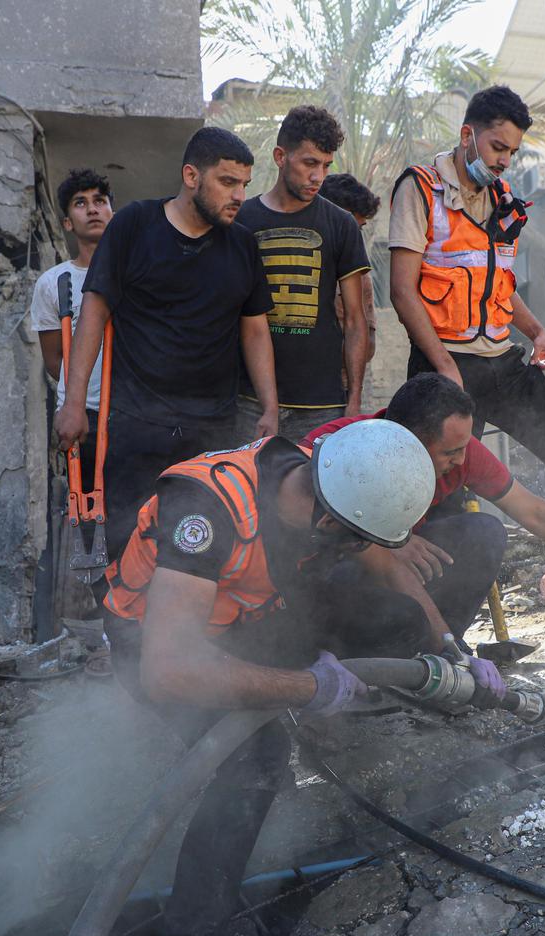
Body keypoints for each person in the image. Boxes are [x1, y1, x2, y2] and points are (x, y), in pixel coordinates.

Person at [105, 421, 449, 936]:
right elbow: (168, 669)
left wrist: (449, 650)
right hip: (158, 641)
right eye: (352, 539)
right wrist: (307, 685)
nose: (358, 550)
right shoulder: (204, 511)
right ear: (328, 520)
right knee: (253, 768)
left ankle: (308, 700)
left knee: (393, 622)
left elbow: (366, 561)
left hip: (243, 616)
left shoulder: (312, 472)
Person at [388, 84, 545, 562]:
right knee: (438, 489)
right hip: (443, 366)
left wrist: (535, 330)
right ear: (467, 135)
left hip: (501, 362)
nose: (504, 161)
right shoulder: (419, 188)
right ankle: (443, 609)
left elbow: (496, 284)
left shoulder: (502, 197)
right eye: (498, 148)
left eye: (512, 152)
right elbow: (401, 290)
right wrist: (442, 367)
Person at [305, 374, 545, 650]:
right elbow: (294, 533)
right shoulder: (342, 450)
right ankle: (369, 658)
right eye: (449, 453)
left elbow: (538, 514)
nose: (461, 461)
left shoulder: (461, 454)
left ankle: (426, 652)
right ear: (407, 442)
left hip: (398, 566)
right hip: (324, 579)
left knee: (483, 532)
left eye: (464, 447)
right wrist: (388, 544)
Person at [54, 127, 277, 557]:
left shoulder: (243, 245)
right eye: (227, 182)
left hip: (211, 430)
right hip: (138, 424)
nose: (238, 196)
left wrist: (269, 405)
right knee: (129, 544)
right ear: (191, 176)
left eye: (244, 186)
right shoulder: (134, 226)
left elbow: (254, 329)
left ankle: (189, 625)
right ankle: (122, 626)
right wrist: (73, 402)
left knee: (200, 547)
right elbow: (93, 315)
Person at [236, 106, 373, 440]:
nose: (318, 176)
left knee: (315, 491)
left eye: (326, 165)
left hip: (321, 404)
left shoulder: (341, 224)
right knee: (248, 489)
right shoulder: (242, 220)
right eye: (309, 163)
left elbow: (355, 321)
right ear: (280, 156)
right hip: (247, 400)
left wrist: (352, 401)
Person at [29, 168, 113, 607]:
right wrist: (74, 400)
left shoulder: (133, 272)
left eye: (100, 199)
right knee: (87, 516)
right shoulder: (54, 283)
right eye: (80, 203)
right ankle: (103, 619)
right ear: (67, 222)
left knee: (133, 510)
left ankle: (134, 612)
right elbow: (54, 360)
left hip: (129, 410)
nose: (92, 208)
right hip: (84, 414)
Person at [319, 172, 382, 360]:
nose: (354, 237)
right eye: (348, 228)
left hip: (340, 385)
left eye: (358, 229)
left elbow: (367, 346)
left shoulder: (359, 276)